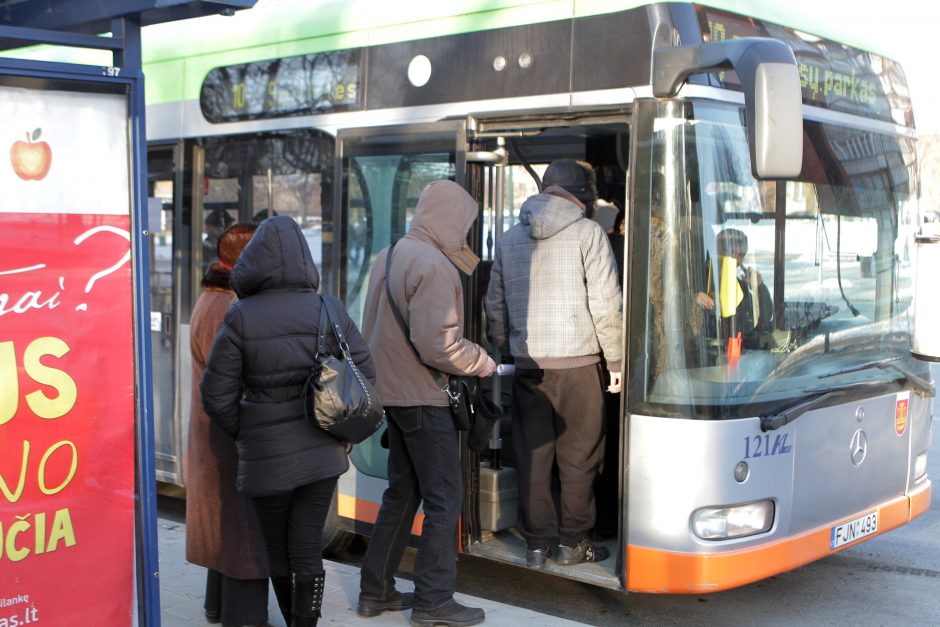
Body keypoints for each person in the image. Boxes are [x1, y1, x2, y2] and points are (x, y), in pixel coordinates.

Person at [201, 215, 375, 627]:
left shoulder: (241, 316)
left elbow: (216, 395)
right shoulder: (328, 308)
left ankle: (290, 617)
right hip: (323, 452)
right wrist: (337, 427)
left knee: (276, 547)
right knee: (307, 545)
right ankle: (306, 623)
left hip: (267, 458)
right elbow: (366, 370)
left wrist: (246, 431)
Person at [357, 180, 496, 627]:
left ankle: (374, 591)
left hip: (392, 396)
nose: (466, 234)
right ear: (451, 220)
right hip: (423, 396)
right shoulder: (435, 266)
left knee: (403, 492)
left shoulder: (391, 253)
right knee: (444, 498)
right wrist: (481, 361)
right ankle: (433, 601)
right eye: (465, 224)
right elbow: (438, 346)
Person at [486, 158, 623, 569]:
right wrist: (614, 360)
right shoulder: (589, 234)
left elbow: (495, 305)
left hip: (529, 367)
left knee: (534, 457)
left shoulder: (509, 239)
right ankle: (571, 543)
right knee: (579, 458)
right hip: (580, 366)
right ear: (581, 194)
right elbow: (606, 303)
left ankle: (535, 545)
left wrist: (503, 347)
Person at [186, 222, 271, 627]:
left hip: (212, 436)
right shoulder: (229, 307)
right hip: (230, 437)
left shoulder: (213, 297)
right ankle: (245, 618)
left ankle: (216, 607)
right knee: (246, 532)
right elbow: (238, 381)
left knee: (225, 527)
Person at [696, 227, 773, 350]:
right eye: (732, 253)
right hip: (709, 354)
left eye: (741, 255)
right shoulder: (701, 281)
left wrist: (759, 288)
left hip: (738, 351)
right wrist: (695, 299)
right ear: (719, 252)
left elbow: (763, 321)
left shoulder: (740, 287)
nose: (737, 260)